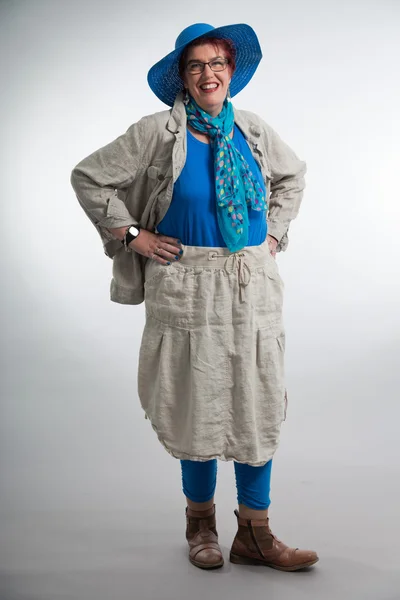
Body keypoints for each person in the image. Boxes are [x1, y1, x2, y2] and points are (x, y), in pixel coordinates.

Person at [70, 22, 319, 572]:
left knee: (255, 403)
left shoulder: (251, 129)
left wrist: (274, 235)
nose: (208, 74)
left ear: (231, 71)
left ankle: (255, 533)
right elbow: (89, 177)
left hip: (251, 283)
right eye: (195, 65)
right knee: (194, 402)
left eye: (217, 64)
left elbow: (291, 178)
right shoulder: (158, 132)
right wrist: (135, 235)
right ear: (182, 77)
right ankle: (200, 525)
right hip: (185, 285)